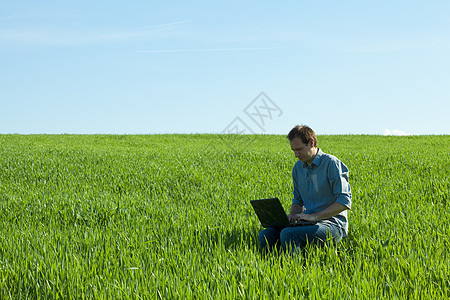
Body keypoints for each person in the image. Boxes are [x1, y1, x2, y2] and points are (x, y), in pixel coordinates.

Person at [259, 125, 352, 252]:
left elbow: (344, 201)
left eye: (299, 149)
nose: (296, 155)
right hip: (308, 222)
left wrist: (314, 216)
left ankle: (293, 269)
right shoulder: (298, 168)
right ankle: (270, 268)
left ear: (311, 143)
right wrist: (292, 216)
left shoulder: (331, 163)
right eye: (293, 151)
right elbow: (298, 200)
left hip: (333, 225)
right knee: (266, 235)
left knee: (288, 234)